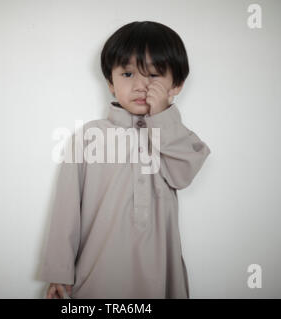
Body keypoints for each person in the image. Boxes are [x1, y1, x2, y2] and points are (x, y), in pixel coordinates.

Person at [38, 21, 211, 299]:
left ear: (176, 84)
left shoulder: (179, 137)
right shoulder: (89, 136)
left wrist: (162, 118)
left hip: (160, 273)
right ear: (110, 83)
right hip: (98, 272)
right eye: (128, 73)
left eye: (154, 75)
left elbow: (182, 176)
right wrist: (59, 271)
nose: (141, 86)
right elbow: (66, 206)